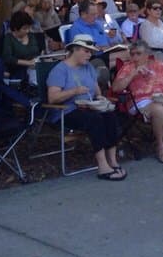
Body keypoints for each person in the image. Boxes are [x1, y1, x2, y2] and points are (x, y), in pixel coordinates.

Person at [47, 36, 125, 180]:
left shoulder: (88, 66)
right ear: (75, 50)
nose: (90, 55)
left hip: (88, 107)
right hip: (66, 111)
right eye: (86, 51)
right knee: (94, 119)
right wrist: (74, 92)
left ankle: (113, 161)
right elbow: (53, 98)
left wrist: (100, 98)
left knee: (109, 115)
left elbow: (95, 89)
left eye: (91, 52)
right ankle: (102, 165)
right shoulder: (60, 70)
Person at [111, 40, 163, 163]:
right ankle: (160, 146)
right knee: (158, 109)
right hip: (140, 101)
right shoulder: (128, 68)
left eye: (138, 54)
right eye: (132, 54)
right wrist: (132, 74)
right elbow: (116, 88)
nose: (135, 57)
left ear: (147, 54)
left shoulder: (160, 65)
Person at [1, 10, 40, 82]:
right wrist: (28, 63)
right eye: (24, 28)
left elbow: (36, 51)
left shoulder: (31, 36)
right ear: (16, 28)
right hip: (17, 70)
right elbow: (7, 58)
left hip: (34, 66)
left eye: (28, 28)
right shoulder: (9, 38)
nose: (27, 31)